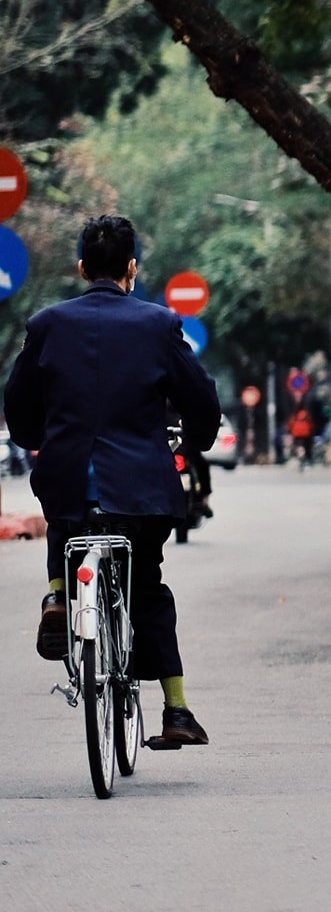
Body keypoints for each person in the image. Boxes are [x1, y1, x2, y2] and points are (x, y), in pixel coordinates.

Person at [7, 216, 222, 747]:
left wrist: (40, 436)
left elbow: (18, 406)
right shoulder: (159, 325)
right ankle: (175, 710)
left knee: (66, 512)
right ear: (132, 268)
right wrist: (196, 438)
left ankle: (58, 595)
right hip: (141, 488)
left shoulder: (45, 325)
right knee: (146, 586)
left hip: (68, 477)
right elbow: (201, 398)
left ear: (81, 268)